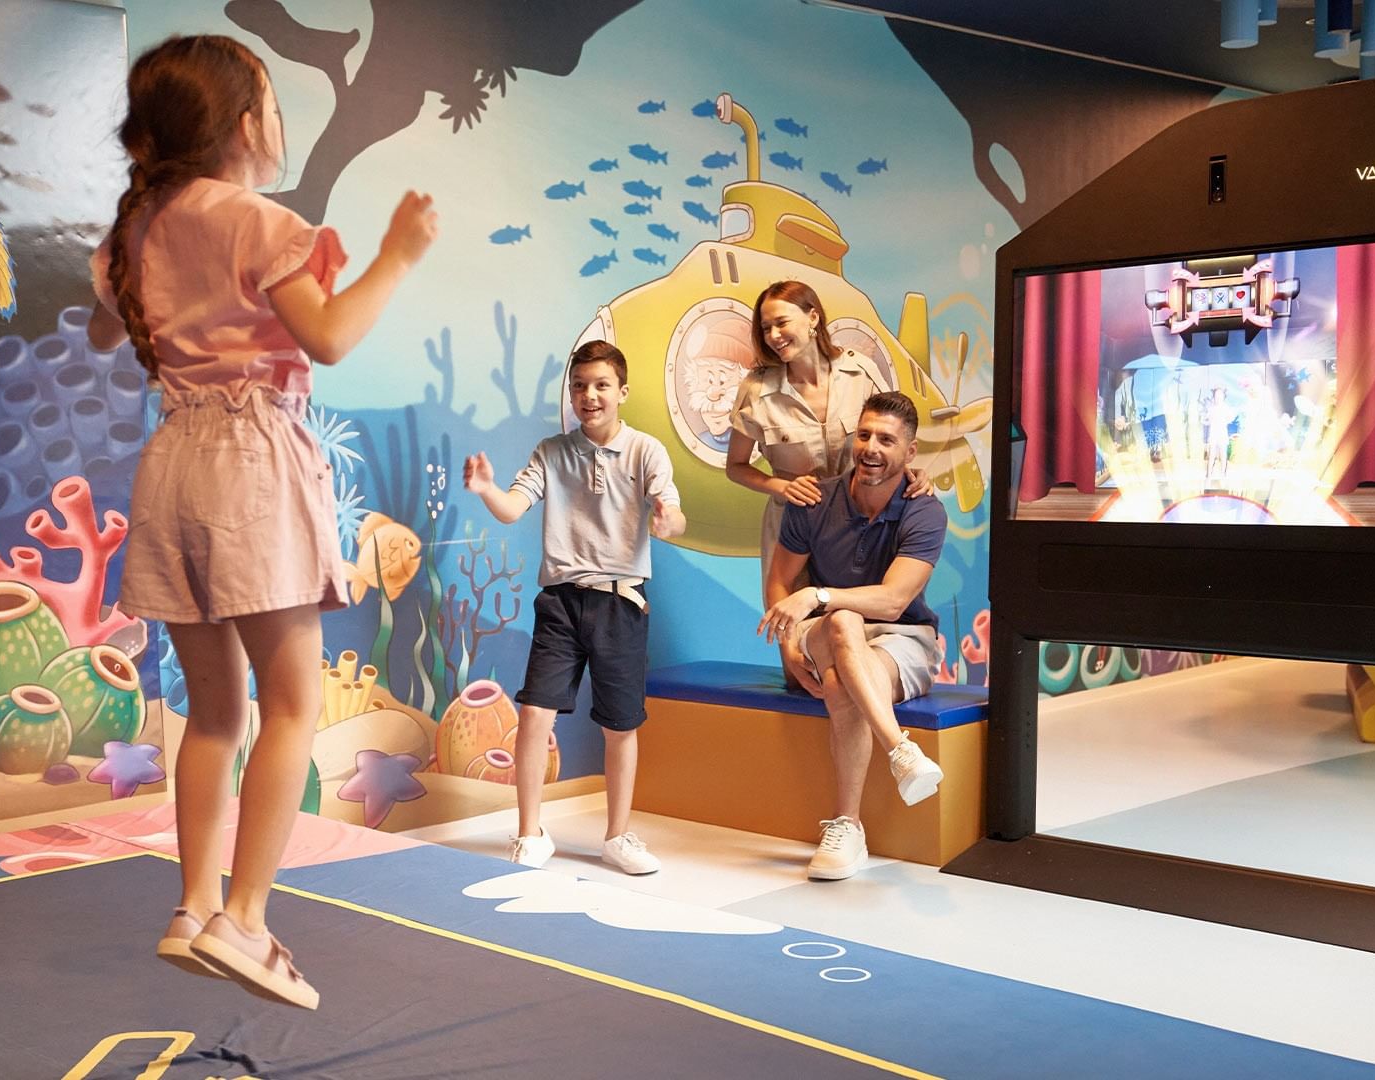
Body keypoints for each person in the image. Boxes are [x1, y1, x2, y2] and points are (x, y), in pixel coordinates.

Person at [84, 35, 437, 1010]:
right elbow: (328, 334)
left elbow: (110, 324)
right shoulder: (257, 220)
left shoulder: (137, 232)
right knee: (289, 703)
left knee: (213, 712)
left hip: (172, 462)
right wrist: (398, 256)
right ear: (246, 125)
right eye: (277, 105)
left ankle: (194, 906)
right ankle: (244, 919)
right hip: (250, 462)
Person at [463, 341, 684, 875]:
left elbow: (674, 514)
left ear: (622, 391)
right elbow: (513, 509)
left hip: (621, 602)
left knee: (620, 724)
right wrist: (488, 489)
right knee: (534, 713)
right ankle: (530, 832)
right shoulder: (551, 451)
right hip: (561, 603)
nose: (590, 395)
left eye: (601, 385)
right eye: (580, 386)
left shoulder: (646, 451)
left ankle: (617, 836)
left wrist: (666, 520)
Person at [757, 391, 947, 882]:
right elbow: (779, 583)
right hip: (822, 632)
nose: (871, 448)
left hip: (902, 636)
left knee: (842, 679)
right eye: (864, 435)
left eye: (886, 440)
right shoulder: (814, 500)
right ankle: (900, 751)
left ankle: (847, 826)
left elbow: (893, 602)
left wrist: (818, 595)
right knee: (842, 623)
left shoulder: (924, 510)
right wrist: (788, 643)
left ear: (910, 452)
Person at [726, 280, 929, 598]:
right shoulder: (756, 389)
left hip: (859, 522)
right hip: (792, 527)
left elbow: (891, 437)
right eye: (766, 328)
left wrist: (914, 474)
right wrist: (781, 487)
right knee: (791, 620)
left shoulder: (861, 372)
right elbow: (735, 466)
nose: (774, 335)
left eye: (781, 322)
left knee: (858, 616)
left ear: (813, 317)